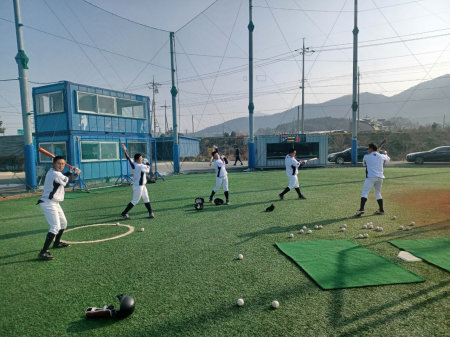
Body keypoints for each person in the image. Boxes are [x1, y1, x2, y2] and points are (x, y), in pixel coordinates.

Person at [37, 156, 81, 260]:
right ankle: (43, 252)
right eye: (58, 163)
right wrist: (76, 174)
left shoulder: (52, 172)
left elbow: (63, 177)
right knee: (55, 227)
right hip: (48, 203)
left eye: (63, 164)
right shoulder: (55, 173)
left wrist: (70, 172)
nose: (61, 166)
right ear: (54, 164)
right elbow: (69, 181)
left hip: (54, 202)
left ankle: (56, 243)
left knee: (63, 223)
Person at [355, 143, 390, 216]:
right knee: (377, 193)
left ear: (371, 149)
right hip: (380, 178)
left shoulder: (366, 157)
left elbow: (364, 164)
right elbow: (388, 159)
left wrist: (376, 154)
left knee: (364, 193)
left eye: (368, 148)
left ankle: (361, 209)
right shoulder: (381, 156)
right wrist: (384, 153)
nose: (367, 150)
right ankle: (381, 210)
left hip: (370, 177)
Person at [120, 144, 155, 219]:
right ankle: (124, 213)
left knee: (146, 198)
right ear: (136, 160)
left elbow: (128, 157)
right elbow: (148, 169)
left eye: (141, 158)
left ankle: (150, 212)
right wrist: (147, 163)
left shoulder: (133, 163)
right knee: (135, 200)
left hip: (141, 185)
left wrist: (125, 150)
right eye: (140, 159)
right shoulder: (140, 166)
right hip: (138, 186)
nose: (141, 160)